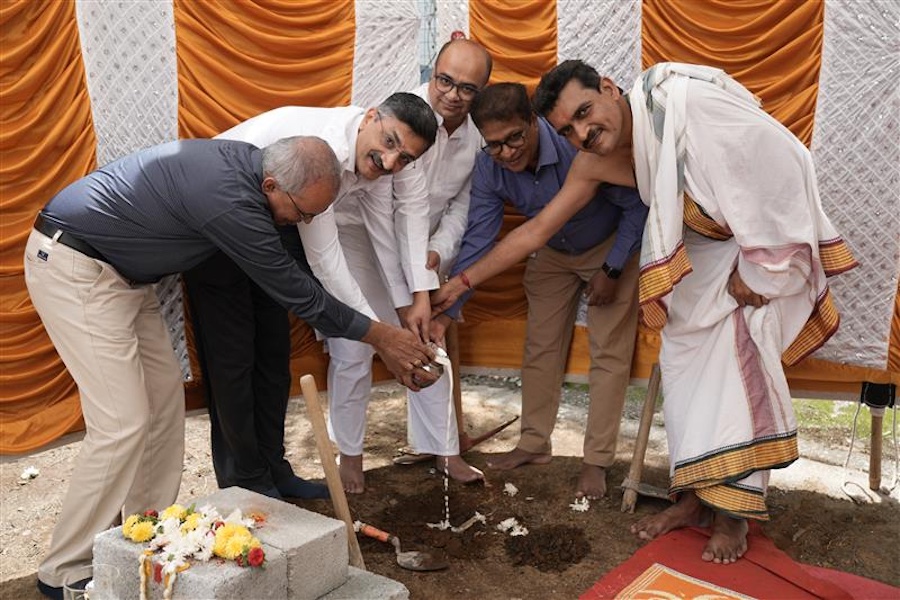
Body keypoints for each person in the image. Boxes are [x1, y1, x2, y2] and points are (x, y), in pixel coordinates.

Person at [433, 60, 857, 564]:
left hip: (757, 257)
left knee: (735, 382)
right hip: (703, 259)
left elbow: (781, 159)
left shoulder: (688, 106)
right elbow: (535, 231)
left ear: (610, 89)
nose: (583, 133)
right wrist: (459, 283)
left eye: (586, 113)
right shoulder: (591, 159)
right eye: (568, 128)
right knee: (680, 371)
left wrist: (762, 266)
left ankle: (733, 515)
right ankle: (694, 499)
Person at [24, 136, 437, 599]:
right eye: (302, 213)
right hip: (74, 264)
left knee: (163, 411)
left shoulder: (254, 172)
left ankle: (144, 538)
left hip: (126, 280)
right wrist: (383, 337)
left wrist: (380, 333)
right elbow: (297, 293)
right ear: (271, 185)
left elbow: (298, 274)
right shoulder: (231, 203)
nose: (301, 223)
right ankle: (63, 569)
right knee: (122, 423)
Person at [185, 92, 439, 499]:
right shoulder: (322, 150)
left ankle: (275, 470)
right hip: (221, 224)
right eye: (390, 142)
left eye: (405, 159)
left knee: (272, 356)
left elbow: (382, 239)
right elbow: (325, 259)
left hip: (274, 225)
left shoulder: (369, 161)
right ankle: (245, 485)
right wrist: (380, 336)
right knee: (233, 363)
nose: (391, 163)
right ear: (371, 116)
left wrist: (406, 304)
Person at [434, 82, 647, 500]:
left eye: (515, 137)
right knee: (540, 348)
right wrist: (450, 303)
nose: (507, 152)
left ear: (533, 121)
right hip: (550, 251)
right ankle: (534, 444)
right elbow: (480, 236)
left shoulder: (578, 146)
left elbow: (637, 204)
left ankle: (596, 461)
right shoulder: (488, 166)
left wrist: (614, 266)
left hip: (610, 245)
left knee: (609, 353)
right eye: (494, 145)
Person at [378, 37, 493, 486]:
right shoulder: (399, 115)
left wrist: (438, 252)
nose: (452, 94)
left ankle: (443, 450)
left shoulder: (478, 137)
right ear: (432, 72)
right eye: (444, 80)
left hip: (427, 254)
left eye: (467, 88)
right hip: (377, 246)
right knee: (352, 353)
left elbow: (464, 206)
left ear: (480, 92)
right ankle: (348, 455)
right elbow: (375, 196)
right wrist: (406, 260)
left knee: (429, 344)